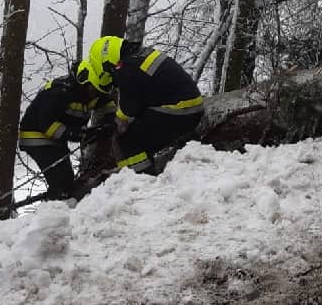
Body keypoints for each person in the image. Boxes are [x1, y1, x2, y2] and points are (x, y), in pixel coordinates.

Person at [81, 36, 204, 174]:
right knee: (141, 129)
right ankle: (129, 171)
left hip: (179, 112)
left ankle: (139, 176)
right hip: (189, 108)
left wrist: (115, 124)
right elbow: (142, 98)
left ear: (104, 62)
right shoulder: (140, 56)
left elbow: (129, 109)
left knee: (128, 139)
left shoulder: (126, 68)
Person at [18, 66, 116, 200]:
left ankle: (60, 200)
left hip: (56, 138)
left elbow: (108, 104)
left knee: (67, 180)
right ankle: (55, 203)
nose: (95, 94)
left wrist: (110, 123)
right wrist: (77, 134)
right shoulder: (60, 93)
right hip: (36, 136)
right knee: (60, 180)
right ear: (84, 83)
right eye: (93, 90)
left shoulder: (94, 91)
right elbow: (48, 125)